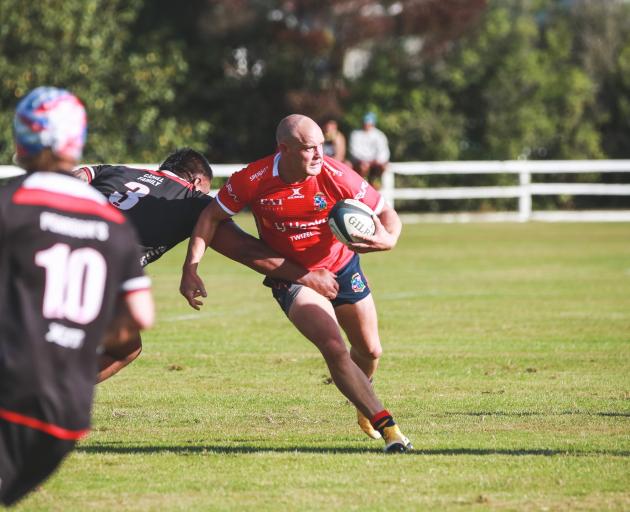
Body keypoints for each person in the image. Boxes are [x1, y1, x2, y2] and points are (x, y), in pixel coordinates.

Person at [180, 114, 412, 453]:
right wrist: (191, 266)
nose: (319, 154)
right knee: (333, 346)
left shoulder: (335, 173)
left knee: (370, 349)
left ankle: (364, 402)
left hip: (342, 267)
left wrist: (388, 239)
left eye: (321, 146)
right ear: (284, 149)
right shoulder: (253, 178)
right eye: (309, 149)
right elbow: (210, 217)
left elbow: (387, 214)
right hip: (293, 276)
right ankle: (390, 430)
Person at [0, 86, 155, 506]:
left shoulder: (10, 205)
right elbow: (140, 314)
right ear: (77, 143)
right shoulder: (112, 223)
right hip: (65, 414)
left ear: (20, 140)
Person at [74, 149, 339, 382]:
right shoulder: (192, 200)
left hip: (47, 251)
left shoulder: (116, 170)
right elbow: (246, 250)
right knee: (124, 349)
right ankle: (46, 401)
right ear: (197, 181)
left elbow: (79, 175)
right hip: (94, 272)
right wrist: (307, 276)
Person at [348, 112, 390, 188]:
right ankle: (362, 183)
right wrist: (366, 160)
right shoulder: (355, 134)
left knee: (384, 167)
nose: (367, 125)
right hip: (360, 162)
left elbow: (383, 152)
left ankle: (375, 181)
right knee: (363, 167)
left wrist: (376, 160)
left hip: (375, 163)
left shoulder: (379, 135)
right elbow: (354, 152)